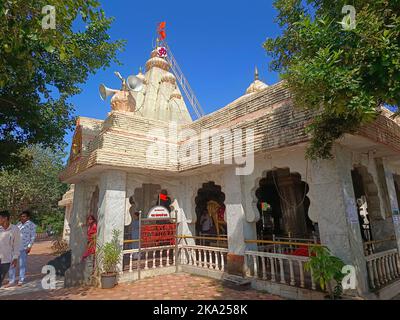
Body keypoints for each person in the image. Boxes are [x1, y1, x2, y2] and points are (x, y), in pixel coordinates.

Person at [8, 210, 36, 286]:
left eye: (24, 216)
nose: (22, 218)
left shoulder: (32, 225)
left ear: (28, 217)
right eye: (21, 216)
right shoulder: (18, 224)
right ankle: (11, 280)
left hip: (24, 248)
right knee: (12, 264)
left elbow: (33, 237)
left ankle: (21, 280)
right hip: (15, 247)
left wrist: (29, 247)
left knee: (22, 265)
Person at [0, 210, 21, 288]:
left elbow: (17, 245)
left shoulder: (15, 229)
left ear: (5, 218)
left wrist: (15, 258)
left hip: (6, 259)